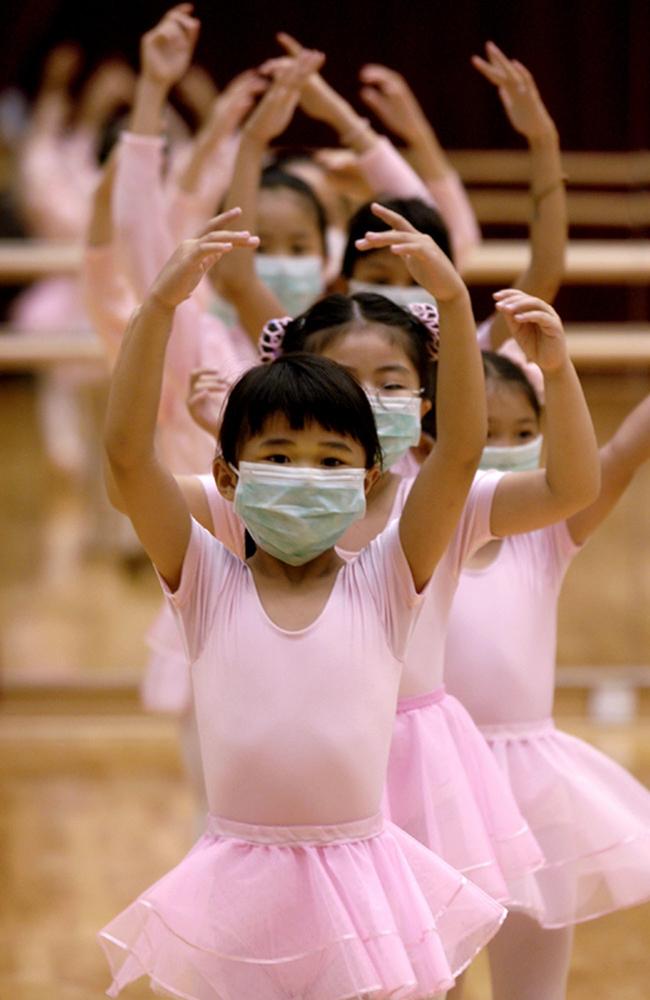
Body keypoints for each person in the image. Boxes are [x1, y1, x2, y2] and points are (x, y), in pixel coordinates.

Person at [98, 206, 508, 999]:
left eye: (329, 459)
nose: (304, 474)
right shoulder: (204, 579)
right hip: (237, 878)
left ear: (369, 477)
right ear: (227, 477)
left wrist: (455, 307)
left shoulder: (388, 580)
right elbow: (126, 456)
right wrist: (158, 308)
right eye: (278, 455)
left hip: (364, 877)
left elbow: (458, 451)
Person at [443, 362, 650, 1000]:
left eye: (522, 430)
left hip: (529, 788)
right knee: (429, 978)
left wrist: (558, 371)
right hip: (431, 778)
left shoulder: (548, 535)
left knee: (534, 983)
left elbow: (620, 451)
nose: (506, 447)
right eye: (486, 433)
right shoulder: (411, 531)